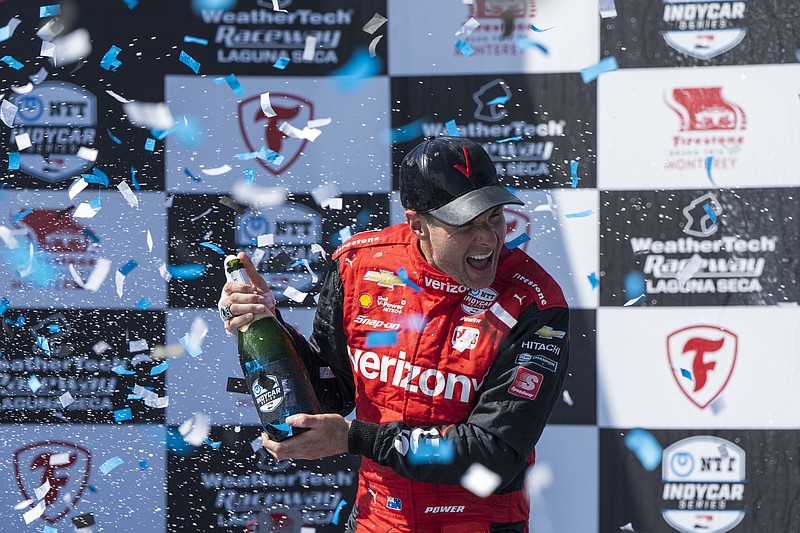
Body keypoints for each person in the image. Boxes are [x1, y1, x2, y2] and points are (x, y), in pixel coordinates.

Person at [219, 137, 570, 533]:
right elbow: (331, 391)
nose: (487, 239)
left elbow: (494, 454)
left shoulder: (535, 302)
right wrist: (266, 322)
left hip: (477, 523)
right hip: (377, 520)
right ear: (417, 224)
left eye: (493, 217)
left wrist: (356, 438)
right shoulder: (358, 265)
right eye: (466, 225)